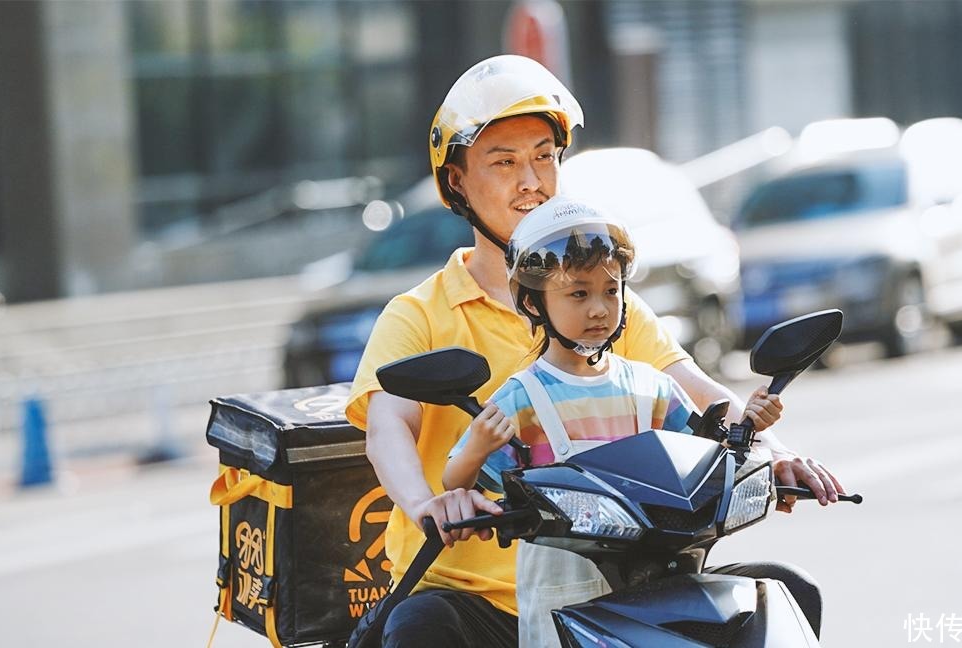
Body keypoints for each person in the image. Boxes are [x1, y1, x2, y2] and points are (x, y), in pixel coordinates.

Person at [346, 54, 843, 648]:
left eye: (543, 157)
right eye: (503, 162)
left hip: (621, 578)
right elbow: (388, 430)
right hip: (484, 600)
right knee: (424, 627)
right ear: (457, 182)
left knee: (785, 593)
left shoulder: (603, 310)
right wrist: (431, 503)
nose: (530, 180)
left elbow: (699, 394)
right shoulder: (419, 313)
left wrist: (775, 451)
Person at [441, 196, 784, 644]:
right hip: (564, 611)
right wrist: (476, 448)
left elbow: (704, 462)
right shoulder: (521, 399)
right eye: (578, 293)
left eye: (611, 290)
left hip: (658, 599)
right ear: (532, 302)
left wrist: (750, 431)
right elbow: (454, 483)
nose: (599, 309)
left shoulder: (652, 388)